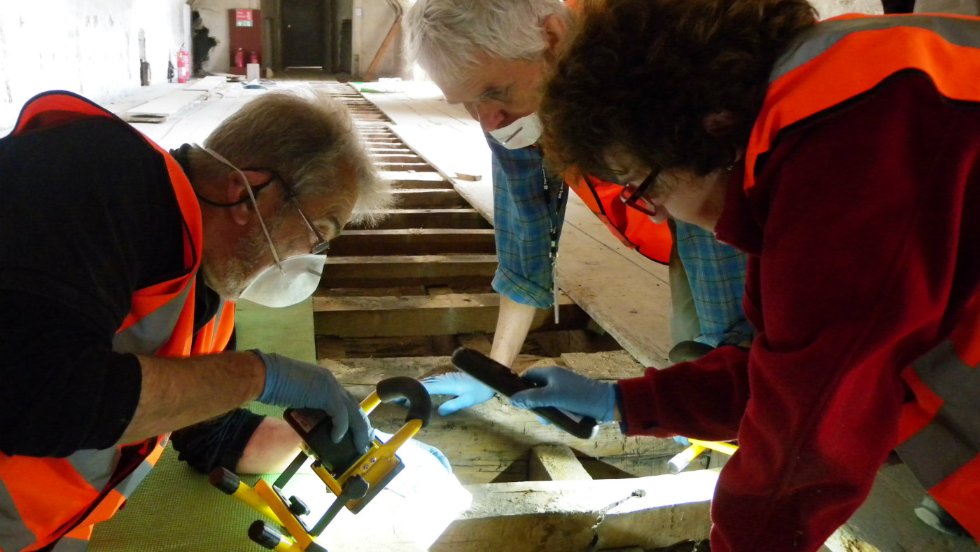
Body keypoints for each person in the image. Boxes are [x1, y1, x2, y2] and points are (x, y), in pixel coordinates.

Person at [506, 0, 980, 549]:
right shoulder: (828, 100)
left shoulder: (853, 146)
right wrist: (625, 402)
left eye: (643, 184)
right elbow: (784, 368)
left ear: (709, 125)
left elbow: (809, 422)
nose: (655, 213)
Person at [0, 89, 392, 550]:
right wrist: (258, 376)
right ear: (248, 195)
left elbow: (210, 436)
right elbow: (35, 395)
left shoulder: (209, 299)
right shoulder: (93, 173)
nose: (309, 255)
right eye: (318, 232)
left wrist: (322, 438)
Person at [403, 0, 752, 415]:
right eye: (467, 102)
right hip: (677, 204)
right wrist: (495, 371)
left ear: (550, 36)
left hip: (723, 203)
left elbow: (716, 233)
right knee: (706, 362)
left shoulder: (660, 71)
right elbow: (525, 238)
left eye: (494, 93)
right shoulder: (508, 110)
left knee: (734, 348)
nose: (488, 121)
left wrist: (735, 369)